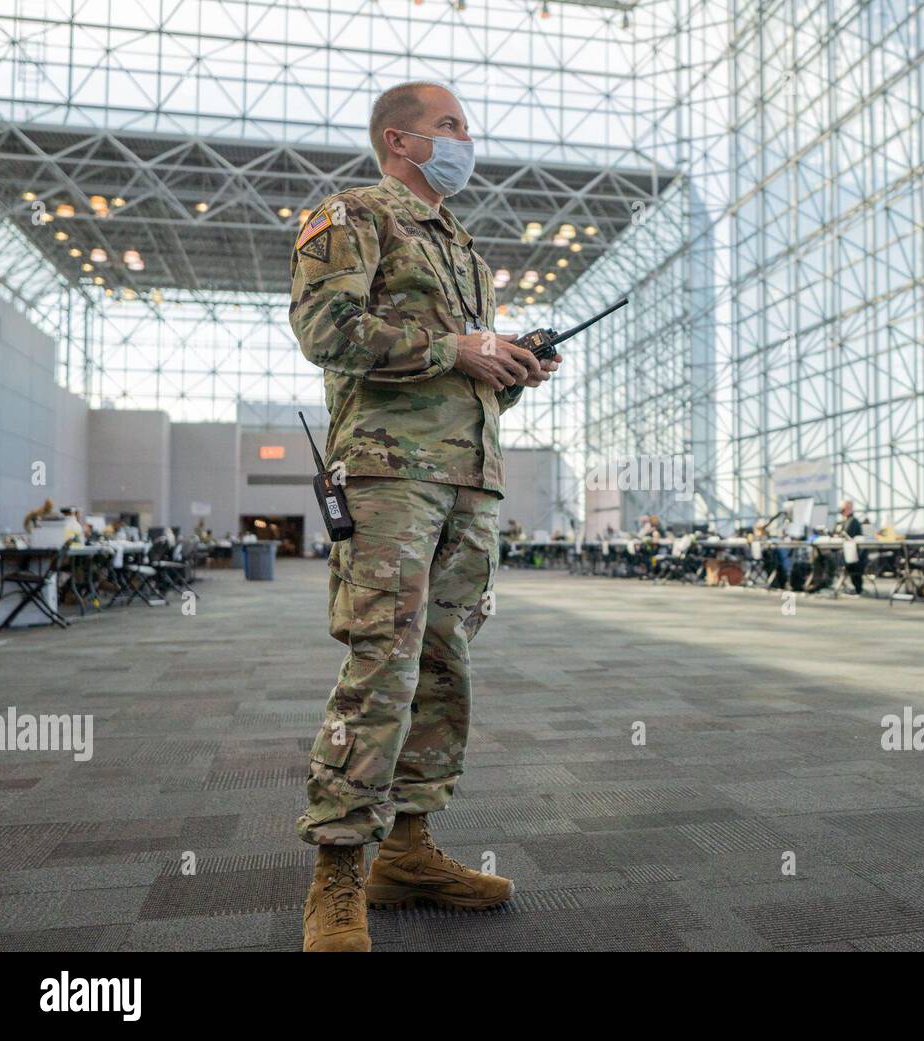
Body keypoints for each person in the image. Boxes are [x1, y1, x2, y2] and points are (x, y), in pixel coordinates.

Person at [291, 81, 559, 952]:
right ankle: (337, 869)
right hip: (387, 478)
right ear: (399, 139)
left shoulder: (466, 251)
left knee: (445, 665)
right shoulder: (355, 212)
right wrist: (459, 346)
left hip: (467, 481)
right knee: (385, 660)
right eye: (450, 126)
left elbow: (457, 376)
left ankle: (407, 850)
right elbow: (325, 328)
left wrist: (505, 369)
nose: (465, 139)